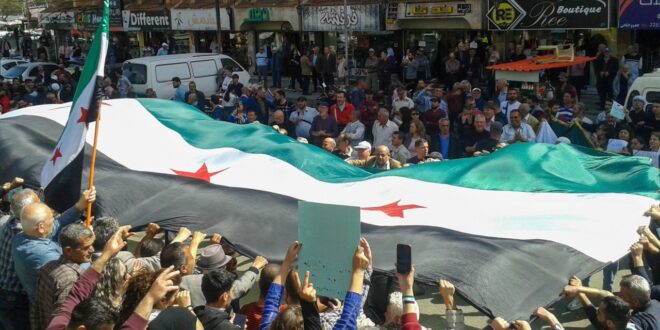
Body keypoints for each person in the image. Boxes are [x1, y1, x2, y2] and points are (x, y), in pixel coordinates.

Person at [12, 188, 96, 304]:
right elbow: (78, 271)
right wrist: (86, 243)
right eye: (51, 219)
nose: (54, 220)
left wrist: (79, 206)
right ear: (41, 227)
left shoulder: (24, 236)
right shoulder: (44, 255)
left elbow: (58, 224)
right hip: (53, 308)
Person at [32, 223, 95, 330]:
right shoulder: (71, 279)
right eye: (86, 247)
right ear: (68, 251)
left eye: (92, 245)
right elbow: (66, 322)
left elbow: (35, 308)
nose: (92, 250)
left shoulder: (48, 266)